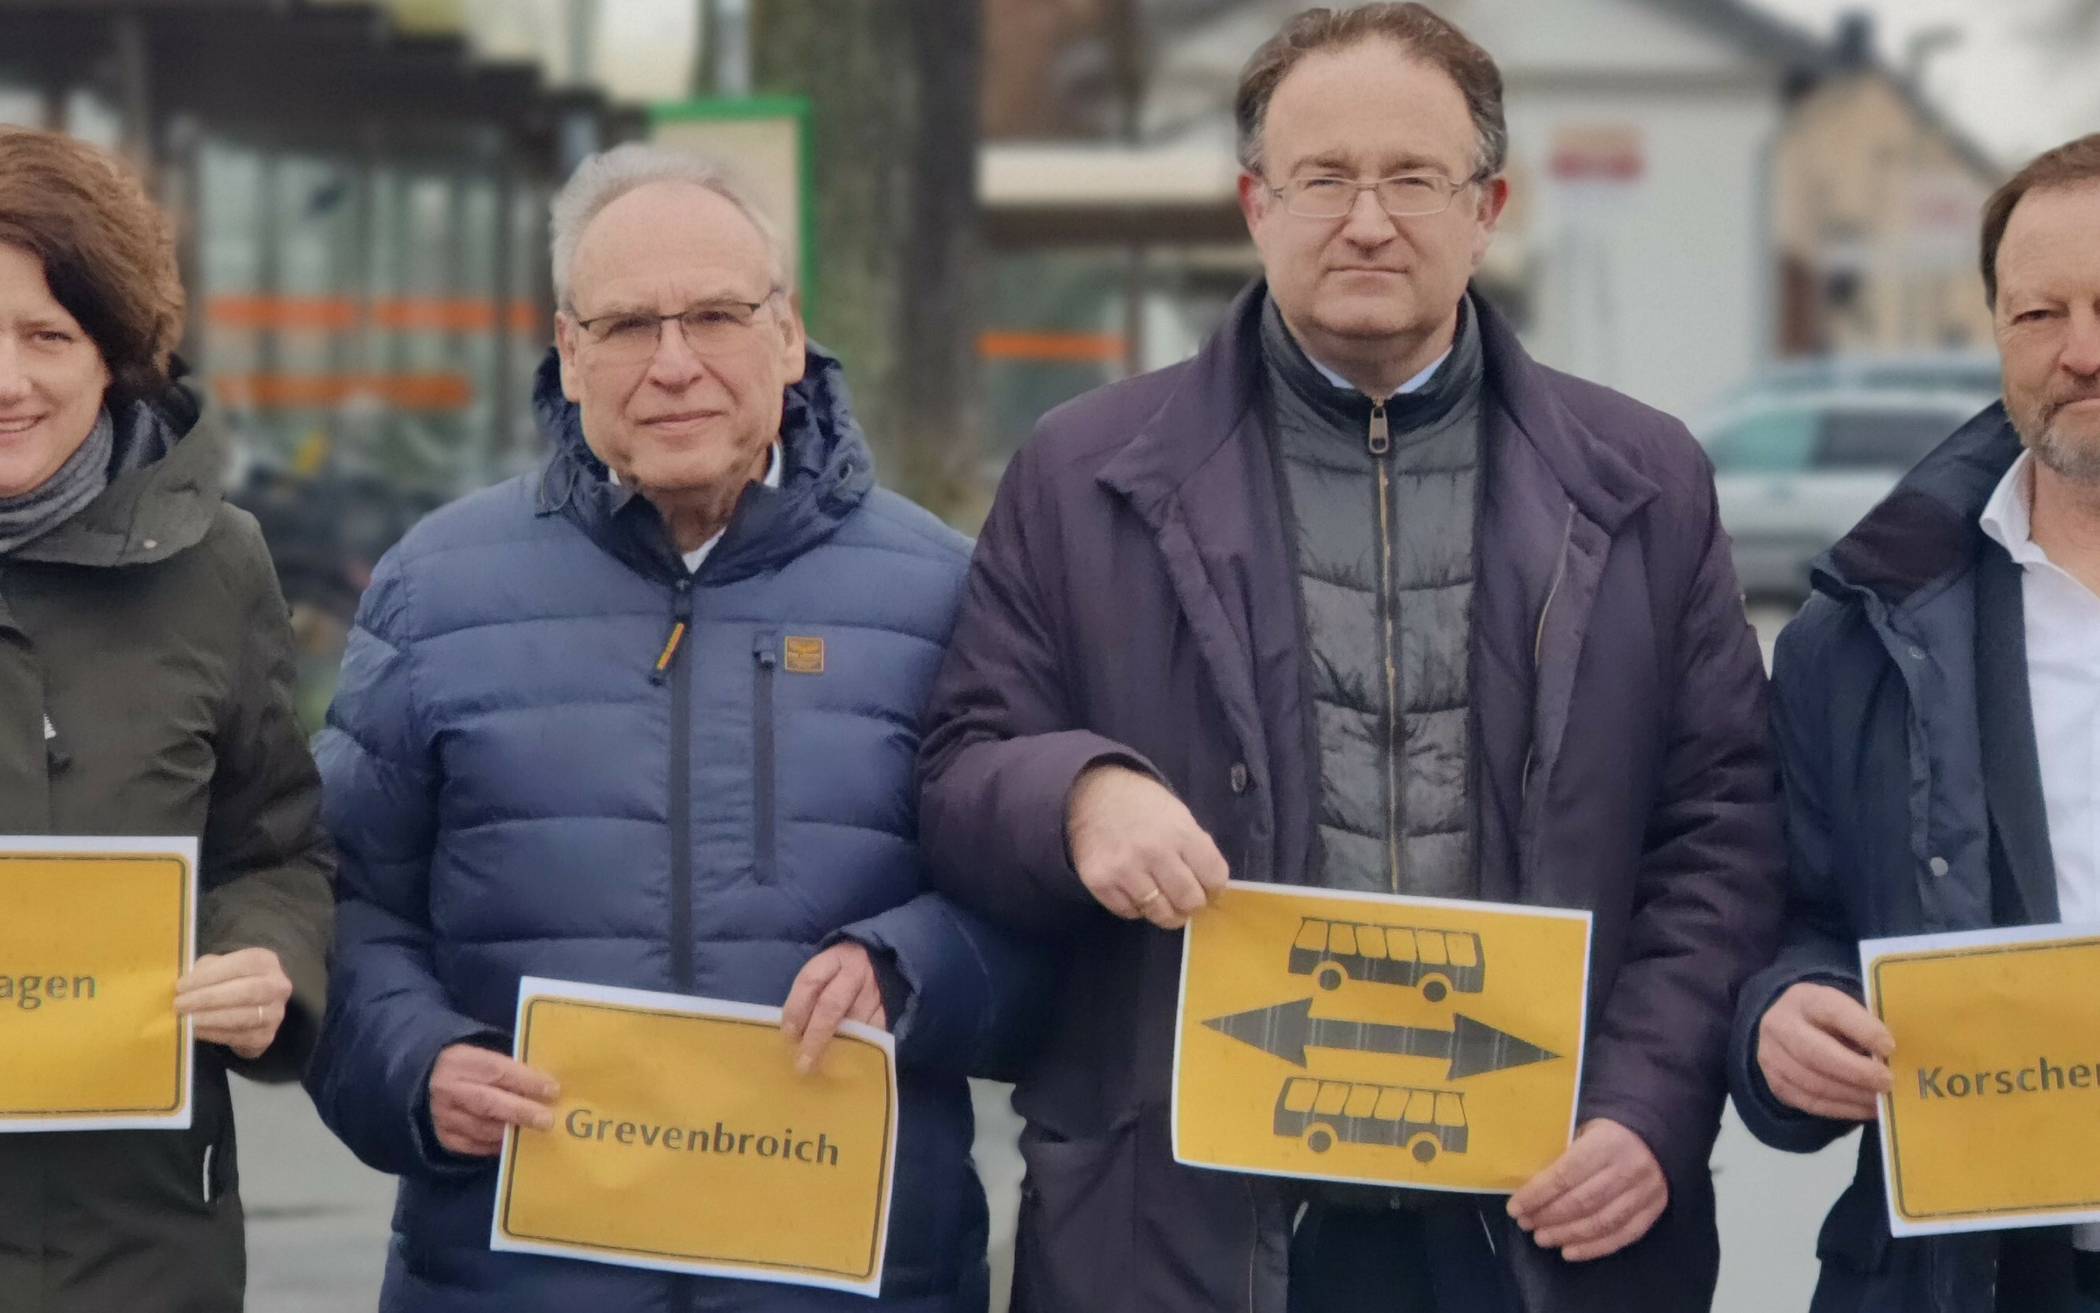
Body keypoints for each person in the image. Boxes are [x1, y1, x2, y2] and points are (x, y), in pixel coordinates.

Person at [915, 6, 1784, 1311]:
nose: (1366, 220)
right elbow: (958, 774)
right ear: (1254, 204)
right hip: (1185, 1218)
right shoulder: (1084, 472)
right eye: (1323, 178)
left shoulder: (1640, 482)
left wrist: (1649, 1103)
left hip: (1536, 1214)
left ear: (1487, 205)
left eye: (1412, 179)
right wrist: (1079, 793)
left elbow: (1721, 828)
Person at [305, 144, 1040, 1313]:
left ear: (789, 336)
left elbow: (1035, 909)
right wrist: (413, 1066)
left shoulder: (947, 592)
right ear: (569, 348)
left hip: (851, 1279)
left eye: (714, 315)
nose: (676, 363)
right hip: (511, 1277)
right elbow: (339, 898)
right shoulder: (435, 589)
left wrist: (909, 967)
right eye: (630, 325)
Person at [1729, 133, 2100, 1313]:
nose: (2081, 351)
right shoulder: (1865, 633)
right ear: (1993, 330)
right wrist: (1780, 1018)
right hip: (1971, 1272)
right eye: (2039, 313)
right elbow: (1793, 917)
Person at [0, 126, 334, 1311]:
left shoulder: (218, 565)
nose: (8, 379)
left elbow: (278, 848)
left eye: (50, 334)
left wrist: (270, 962)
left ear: (117, 354)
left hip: (140, 1244)